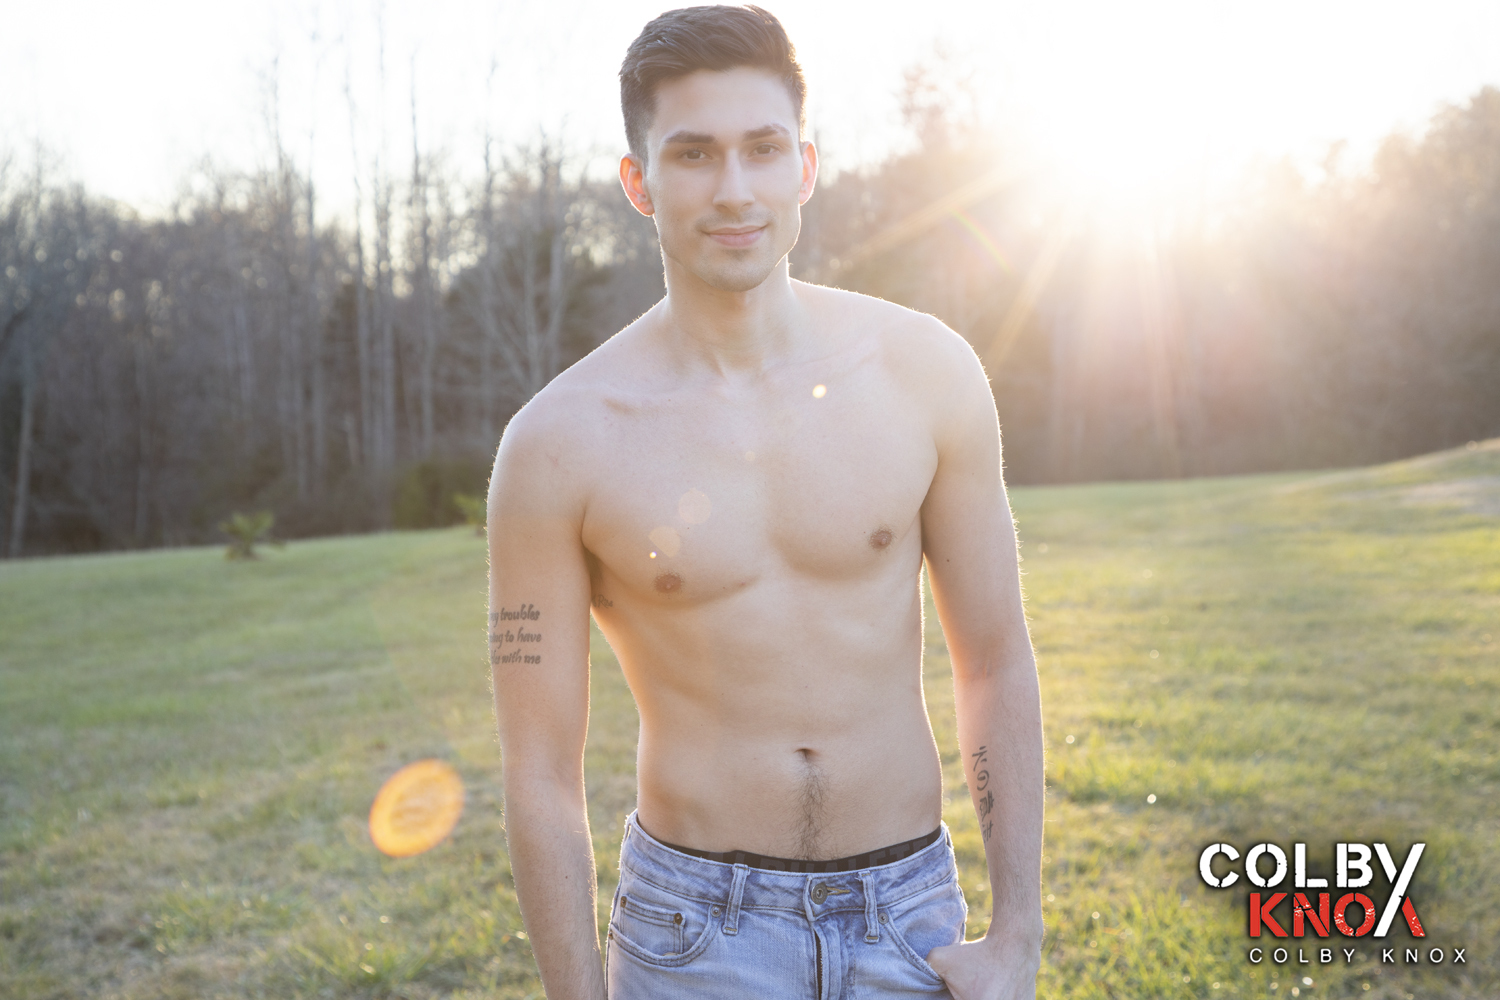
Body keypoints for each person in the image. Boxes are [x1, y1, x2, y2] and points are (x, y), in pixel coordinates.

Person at [487, 6, 1044, 998]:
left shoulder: (925, 373)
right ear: (639, 182)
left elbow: (995, 658)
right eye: (693, 154)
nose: (734, 189)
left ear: (805, 167)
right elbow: (539, 770)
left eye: (763, 148)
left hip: (908, 918)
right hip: (694, 934)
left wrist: (1017, 933)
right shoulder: (558, 444)